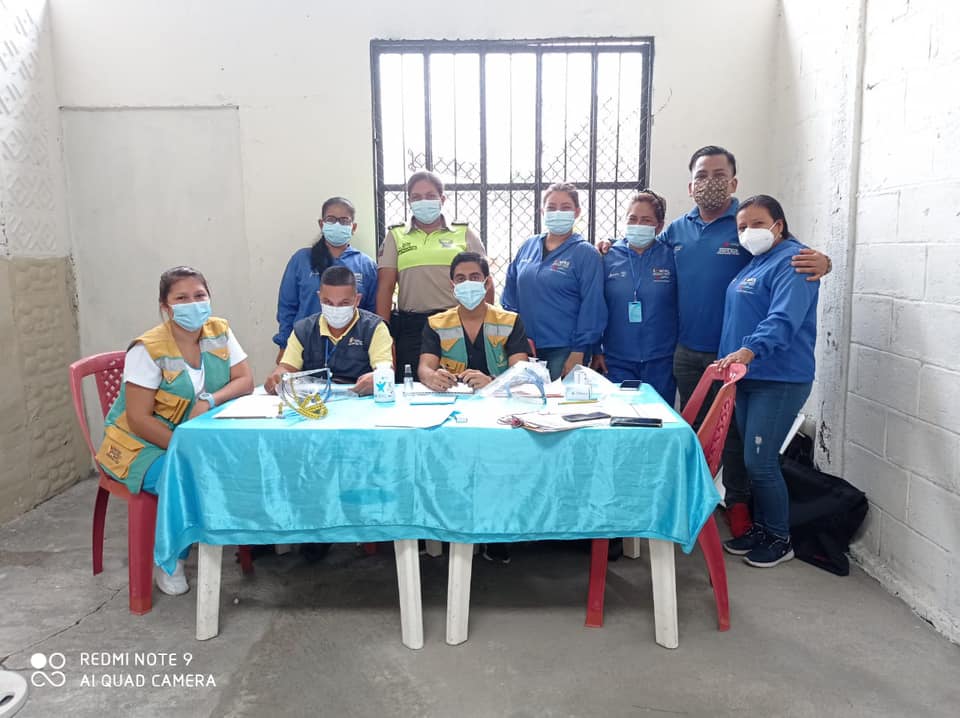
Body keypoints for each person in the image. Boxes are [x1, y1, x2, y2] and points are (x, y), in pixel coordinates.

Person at [597, 146, 830, 537]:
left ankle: (737, 505)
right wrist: (606, 245)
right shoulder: (676, 231)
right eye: (702, 175)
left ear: (734, 182)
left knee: (735, 437)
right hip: (687, 351)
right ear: (691, 186)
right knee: (695, 432)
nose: (710, 182)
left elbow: (787, 254)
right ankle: (693, 502)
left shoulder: (747, 225)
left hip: (736, 355)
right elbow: (641, 249)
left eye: (719, 174)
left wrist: (825, 262)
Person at [95, 266, 254, 595]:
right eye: (181, 298)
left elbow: (245, 380)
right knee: (183, 475)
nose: (193, 304)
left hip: (192, 435)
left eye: (199, 295)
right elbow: (138, 419)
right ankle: (170, 561)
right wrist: (185, 449)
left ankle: (240, 537)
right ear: (165, 307)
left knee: (244, 460)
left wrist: (210, 399)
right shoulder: (147, 349)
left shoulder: (219, 331)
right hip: (138, 445)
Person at [716, 195, 819, 567]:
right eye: (742, 226)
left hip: (778, 378)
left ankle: (779, 538)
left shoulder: (795, 261)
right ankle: (762, 528)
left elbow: (783, 318)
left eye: (757, 224)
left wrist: (749, 350)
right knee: (752, 460)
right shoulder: (757, 262)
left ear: (779, 224)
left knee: (760, 462)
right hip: (749, 376)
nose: (749, 232)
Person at [376, 170, 491, 382]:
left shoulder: (463, 233)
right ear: (409, 201)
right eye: (417, 197)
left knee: (463, 383)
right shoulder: (396, 235)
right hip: (413, 327)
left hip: (457, 322)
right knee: (415, 386)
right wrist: (383, 333)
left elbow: (485, 281)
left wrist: (486, 324)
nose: (424, 201)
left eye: (430, 195)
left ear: (442, 199)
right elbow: (385, 287)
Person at [501, 182, 607, 380]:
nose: (558, 212)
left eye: (565, 207)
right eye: (551, 207)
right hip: (525, 347)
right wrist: (515, 337)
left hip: (564, 349)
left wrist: (579, 350)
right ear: (542, 211)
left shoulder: (585, 253)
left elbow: (592, 306)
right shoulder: (528, 246)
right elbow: (510, 294)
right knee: (525, 397)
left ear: (577, 212)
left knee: (558, 398)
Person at [591, 189, 677, 402]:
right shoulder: (607, 256)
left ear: (659, 226)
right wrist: (596, 349)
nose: (638, 224)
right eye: (632, 219)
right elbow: (595, 305)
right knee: (622, 416)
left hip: (661, 359)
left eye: (646, 220)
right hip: (616, 359)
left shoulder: (671, 256)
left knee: (657, 416)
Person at [274, 197, 378, 362]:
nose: (337, 225)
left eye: (344, 220)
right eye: (331, 219)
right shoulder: (301, 260)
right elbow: (287, 308)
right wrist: (284, 345)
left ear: (353, 227)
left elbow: (372, 312)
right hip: (305, 346)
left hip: (353, 351)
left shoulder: (366, 265)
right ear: (321, 224)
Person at [265, 265, 393, 396]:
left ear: (357, 300)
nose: (335, 309)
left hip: (360, 400)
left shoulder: (374, 328)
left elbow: (385, 370)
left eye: (344, 303)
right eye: (328, 302)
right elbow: (286, 368)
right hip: (314, 402)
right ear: (319, 297)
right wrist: (278, 377)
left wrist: (378, 377)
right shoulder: (303, 330)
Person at [419, 252, 530, 392]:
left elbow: (520, 371)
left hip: (498, 397)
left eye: (474, 277)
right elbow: (425, 367)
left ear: (487, 283)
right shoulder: (436, 324)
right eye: (461, 279)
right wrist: (431, 377)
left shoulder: (510, 322)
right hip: (452, 396)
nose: (467, 283)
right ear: (453, 286)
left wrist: (492, 382)